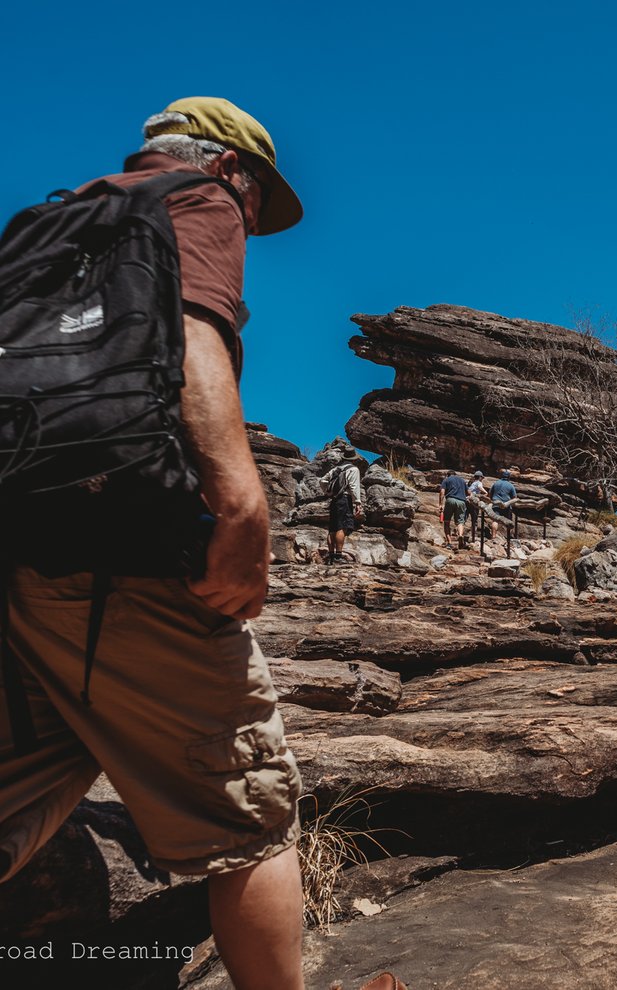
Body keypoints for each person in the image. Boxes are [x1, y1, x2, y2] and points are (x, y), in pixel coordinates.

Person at [0, 98, 306, 989]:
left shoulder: (48, 220)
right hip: (128, 551)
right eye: (259, 201)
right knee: (251, 819)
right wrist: (241, 506)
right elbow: (193, 329)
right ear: (231, 169)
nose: (253, 220)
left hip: (23, 546)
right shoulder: (196, 201)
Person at [320, 459, 363, 564]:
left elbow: (322, 481)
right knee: (342, 527)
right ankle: (338, 557)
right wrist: (358, 503)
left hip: (334, 500)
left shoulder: (336, 469)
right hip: (344, 499)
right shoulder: (353, 469)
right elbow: (354, 487)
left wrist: (327, 492)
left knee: (332, 528)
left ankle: (331, 557)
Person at [440, 469, 470, 549]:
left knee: (446, 522)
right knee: (460, 521)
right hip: (461, 502)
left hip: (450, 500)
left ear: (448, 475)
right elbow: (468, 492)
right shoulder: (462, 481)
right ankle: (460, 535)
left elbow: (442, 492)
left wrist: (441, 504)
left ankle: (449, 543)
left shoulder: (446, 480)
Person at [488, 468, 517, 540]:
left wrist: (492, 500)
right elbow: (514, 497)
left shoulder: (496, 483)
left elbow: (490, 493)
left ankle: (493, 536)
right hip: (506, 505)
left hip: (496, 504)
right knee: (509, 521)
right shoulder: (510, 485)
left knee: (495, 520)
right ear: (509, 477)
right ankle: (508, 538)